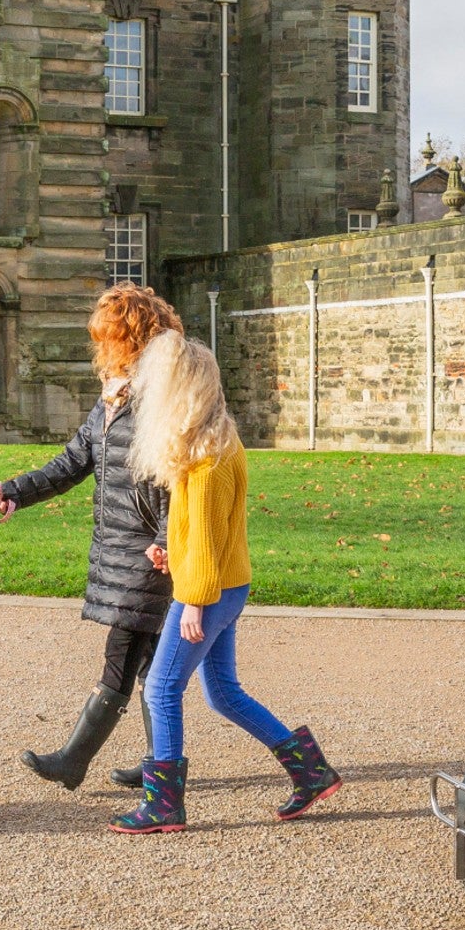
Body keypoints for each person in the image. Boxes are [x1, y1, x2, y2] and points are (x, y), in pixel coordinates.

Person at [110, 330, 339, 834]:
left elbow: (211, 541)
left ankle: (164, 805)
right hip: (224, 587)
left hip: (210, 591)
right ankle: (311, 771)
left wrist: (192, 600)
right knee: (223, 693)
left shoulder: (210, 458)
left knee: (162, 688)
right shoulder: (204, 446)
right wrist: (173, 550)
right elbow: (198, 529)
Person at [0, 283, 185, 791]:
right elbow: (73, 462)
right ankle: (160, 759)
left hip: (149, 554)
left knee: (127, 654)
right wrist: (12, 492)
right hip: (123, 549)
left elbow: (175, 478)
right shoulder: (112, 400)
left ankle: (76, 760)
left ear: (134, 337)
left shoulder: (160, 399)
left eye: (110, 337)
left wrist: (165, 538)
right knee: (148, 665)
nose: (102, 347)